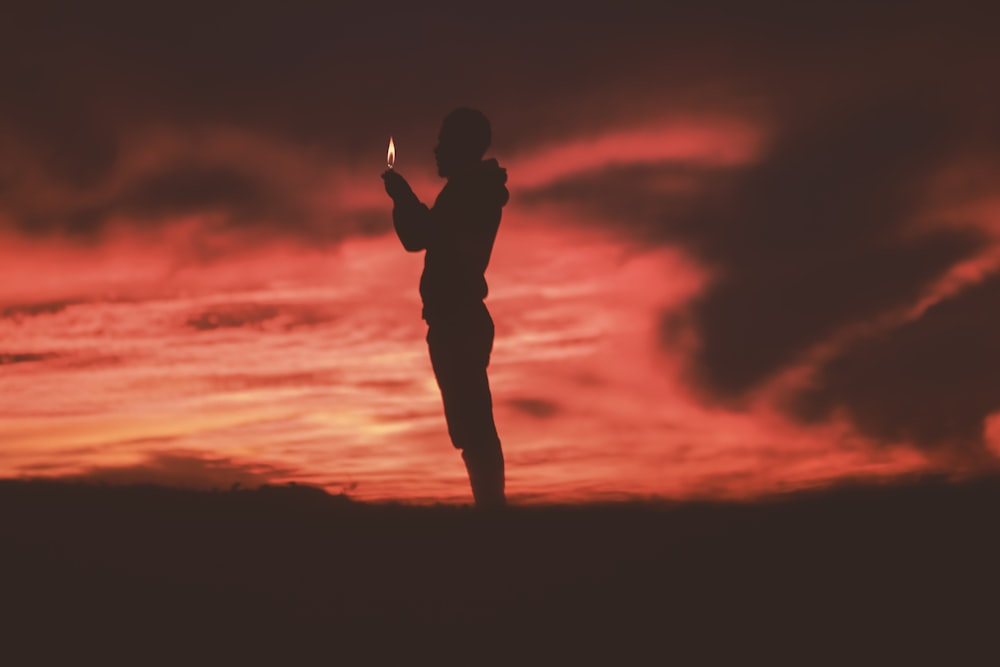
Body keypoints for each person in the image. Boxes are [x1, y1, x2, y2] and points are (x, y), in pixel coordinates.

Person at [381, 108, 509, 508]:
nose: (436, 150)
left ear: (462, 147)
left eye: (444, 142)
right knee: (470, 428)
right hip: (457, 317)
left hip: (459, 319)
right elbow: (424, 238)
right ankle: (490, 509)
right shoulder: (470, 191)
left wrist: (403, 198)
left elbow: (421, 237)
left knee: (473, 428)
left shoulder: (469, 193)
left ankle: (491, 512)